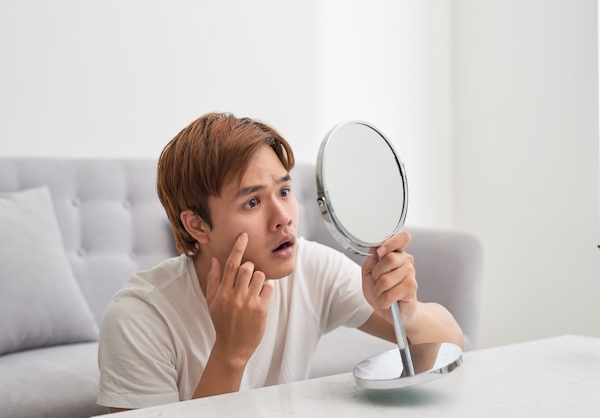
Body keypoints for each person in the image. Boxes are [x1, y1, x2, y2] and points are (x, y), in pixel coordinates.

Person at [97, 112, 464, 412]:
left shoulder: (311, 268)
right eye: (252, 202)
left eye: (284, 191)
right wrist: (231, 352)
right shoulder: (139, 317)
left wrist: (409, 312)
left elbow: (454, 345)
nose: (283, 217)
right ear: (197, 225)